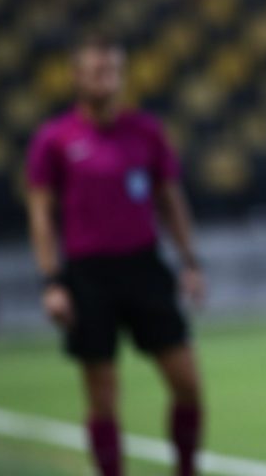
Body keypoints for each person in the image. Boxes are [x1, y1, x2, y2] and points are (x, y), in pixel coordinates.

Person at [25, 32, 206, 476]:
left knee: (187, 384)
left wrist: (189, 262)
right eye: (97, 71)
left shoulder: (146, 131)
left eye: (114, 71)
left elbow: (170, 199)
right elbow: (41, 215)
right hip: (88, 276)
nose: (107, 79)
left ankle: (186, 468)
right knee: (103, 396)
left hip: (144, 266)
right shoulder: (55, 139)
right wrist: (52, 282)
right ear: (77, 77)